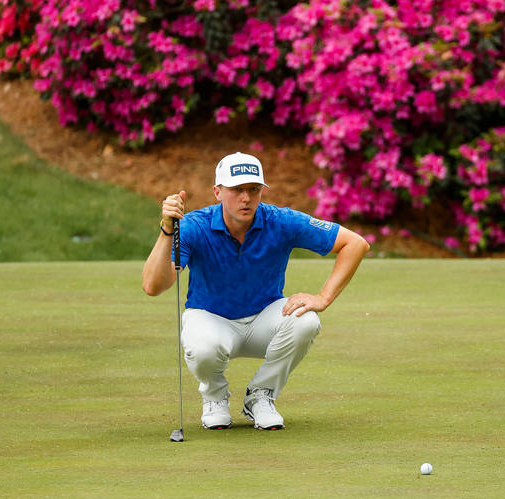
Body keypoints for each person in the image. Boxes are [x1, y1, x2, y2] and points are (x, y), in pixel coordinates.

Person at [142, 152, 369, 431]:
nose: (246, 198)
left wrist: (323, 298)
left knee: (306, 321)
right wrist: (167, 230)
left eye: (253, 189)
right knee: (202, 346)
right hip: (211, 319)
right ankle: (214, 397)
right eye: (237, 190)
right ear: (217, 192)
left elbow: (355, 244)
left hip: (264, 319)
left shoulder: (280, 221)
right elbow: (153, 286)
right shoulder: (194, 226)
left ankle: (261, 395)